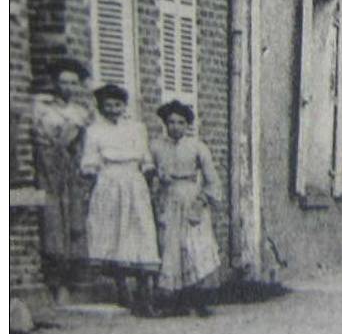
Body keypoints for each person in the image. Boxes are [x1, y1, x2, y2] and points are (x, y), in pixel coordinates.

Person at [81, 84, 161, 317]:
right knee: (115, 233)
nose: (113, 110)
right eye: (108, 106)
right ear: (100, 107)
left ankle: (145, 293)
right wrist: (91, 172)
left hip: (134, 182)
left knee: (141, 231)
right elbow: (89, 160)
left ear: (124, 106)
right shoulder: (94, 131)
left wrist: (147, 173)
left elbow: (145, 157)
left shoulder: (137, 129)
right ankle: (122, 289)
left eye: (117, 105)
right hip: (109, 182)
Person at [151, 100, 222, 317]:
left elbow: (212, 180)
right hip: (168, 199)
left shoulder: (197, 147)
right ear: (165, 123)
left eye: (180, 122)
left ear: (187, 125)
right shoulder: (155, 146)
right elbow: (146, 172)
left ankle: (200, 299)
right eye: (171, 122)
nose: (175, 127)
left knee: (194, 247)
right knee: (172, 248)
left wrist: (201, 202)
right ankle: (176, 302)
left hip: (191, 197)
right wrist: (156, 176)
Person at [30, 58, 93, 302]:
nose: (66, 87)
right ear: (55, 82)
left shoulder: (80, 113)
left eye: (72, 83)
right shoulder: (41, 107)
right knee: (51, 219)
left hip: (69, 170)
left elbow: (82, 146)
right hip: (47, 167)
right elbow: (36, 137)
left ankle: (68, 281)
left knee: (73, 221)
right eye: (63, 82)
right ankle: (51, 280)